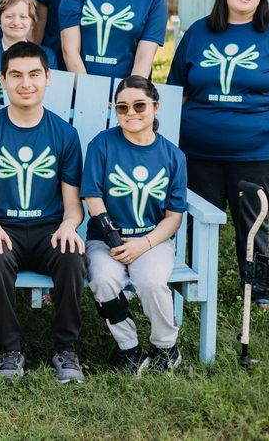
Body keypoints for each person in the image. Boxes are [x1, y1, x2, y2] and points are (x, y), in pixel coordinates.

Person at [167, 0, 269, 308]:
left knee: (254, 220)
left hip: (256, 151)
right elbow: (176, 91)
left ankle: (258, 285)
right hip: (198, 149)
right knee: (197, 219)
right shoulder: (199, 32)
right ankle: (194, 278)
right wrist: (166, 143)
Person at [0, 40, 87, 383]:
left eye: (34, 74)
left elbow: (73, 203)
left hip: (50, 227)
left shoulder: (64, 133)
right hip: (2, 226)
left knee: (73, 258)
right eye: (16, 75)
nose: (26, 83)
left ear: (48, 78)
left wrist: (68, 226)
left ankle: (65, 349)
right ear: (3, 79)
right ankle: (10, 349)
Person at [83, 76, 187, 373]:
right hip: (105, 240)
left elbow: (173, 217)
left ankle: (166, 347)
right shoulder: (102, 144)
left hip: (152, 239)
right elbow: (92, 195)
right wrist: (115, 240)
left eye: (139, 105)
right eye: (122, 107)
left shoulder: (172, 156)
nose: (131, 113)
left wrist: (144, 244)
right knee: (103, 280)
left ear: (155, 106)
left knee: (152, 282)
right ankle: (129, 348)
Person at [0, 0, 56, 95]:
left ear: (32, 22)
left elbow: (51, 95)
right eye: (9, 16)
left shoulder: (47, 55)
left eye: (23, 17)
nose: (16, 22)